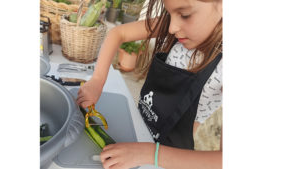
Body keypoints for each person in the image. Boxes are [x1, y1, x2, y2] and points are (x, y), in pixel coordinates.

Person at [77, 0, 222, 168]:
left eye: (184, 15)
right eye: (170, 14)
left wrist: (148, 153)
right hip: (138, 127)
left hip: (170, 157)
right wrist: (97, 81)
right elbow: (118, 33)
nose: (171, 28)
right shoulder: (177, 27)